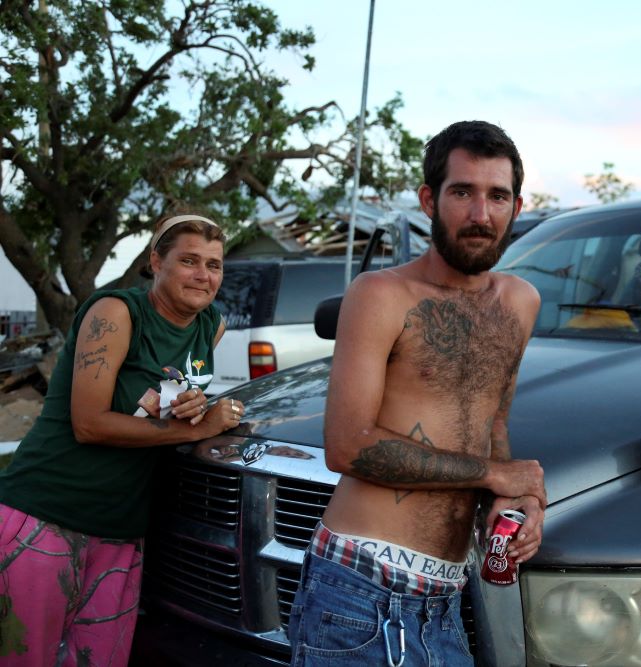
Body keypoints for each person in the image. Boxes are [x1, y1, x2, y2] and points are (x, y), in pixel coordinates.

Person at [288, 121, 545, 666]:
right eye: (462, 192)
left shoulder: (520, 303)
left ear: (517, 206)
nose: (481, 215)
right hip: (357, 593)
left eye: (497, 196)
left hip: (447, 600)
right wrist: (495, 475)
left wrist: (514, 503)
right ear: (429, 199)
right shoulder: (380, 295)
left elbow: (491, 423)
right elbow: (348, 445)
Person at [0, 213, 246, 666]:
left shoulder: (211, 326)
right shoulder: (116, 312)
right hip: (47, 513)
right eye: (188, 260)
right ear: (156, 261)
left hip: (121, 529)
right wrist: (201, 425)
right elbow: (89, 423)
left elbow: (162, 400)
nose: (203, 275)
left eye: (214, 265)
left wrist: (191, 409)